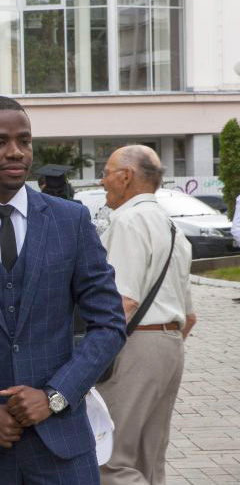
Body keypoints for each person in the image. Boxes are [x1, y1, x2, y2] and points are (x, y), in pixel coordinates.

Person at [0, 96, 126, 485]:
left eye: (24, 140)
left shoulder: (69, 220)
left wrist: (55, 395)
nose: (16, 152)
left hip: (63, 445)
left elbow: (108, 324)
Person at [97, 145, 197, 485]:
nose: (102, 181)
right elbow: (191, 317)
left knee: (110, 461)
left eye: (106, 172)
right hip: (169, 345)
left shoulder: (128, 221)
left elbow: (123, 302)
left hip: (136, 344)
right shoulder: (173, 229)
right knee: (149, 462)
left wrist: (89, 358)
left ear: (126, 176)